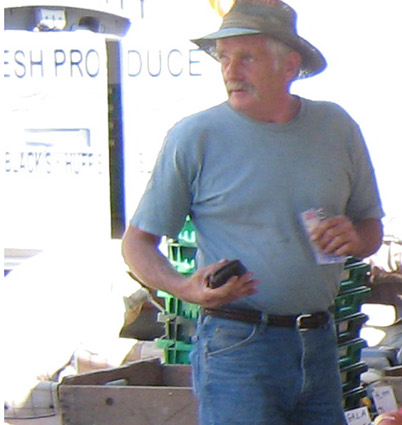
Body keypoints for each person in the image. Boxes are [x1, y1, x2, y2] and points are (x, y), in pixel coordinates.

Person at [121, 2, 383, 422]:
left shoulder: (336, 127)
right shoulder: (195, 137)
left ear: (290, 64)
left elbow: (371, 228)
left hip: (318, 340)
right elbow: (137, 244)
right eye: (224, 57)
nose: (230, 71)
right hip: (236, 345)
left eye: (247, 57)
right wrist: (184, 288)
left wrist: (356, 237)